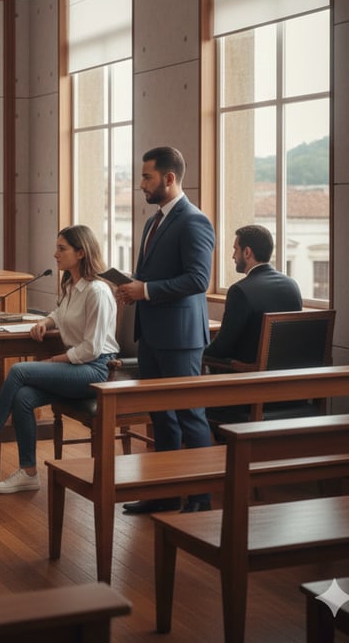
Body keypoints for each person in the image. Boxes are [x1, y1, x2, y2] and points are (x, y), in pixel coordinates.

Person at [0, 224, 118, 494]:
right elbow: (60, 314)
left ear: (81, 253)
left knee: (19, 371)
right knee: (24, 397)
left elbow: (92, 349)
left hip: (96, 370)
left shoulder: (98, 291)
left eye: (62, 249)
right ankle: (28, 472)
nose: (55, 254)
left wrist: (54, 361)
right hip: (78, 367)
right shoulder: (72, 285)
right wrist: (45, 322)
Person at [117, 146, 215, 514]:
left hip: (180, 338)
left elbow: (199, 279)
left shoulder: (194, 221)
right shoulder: (152, 222)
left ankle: (202, 498)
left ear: (169, 178)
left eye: (147, 177)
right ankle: (165, 493)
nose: (141, 184)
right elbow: (152, 274)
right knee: (161, 417)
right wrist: (131, 287)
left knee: (189, 415)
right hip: (151, 333)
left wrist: (146, 290)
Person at [203, 224, 302, 364]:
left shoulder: (239, 291)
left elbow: (222, 347)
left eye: (235, 249)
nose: (233, 256)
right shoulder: (292, 285)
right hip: (290, 370)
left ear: (247, 252)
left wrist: (199, 353)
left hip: (248, 371)